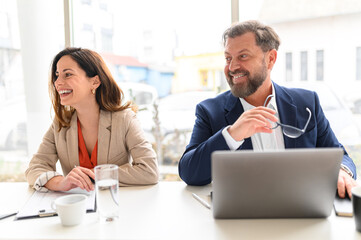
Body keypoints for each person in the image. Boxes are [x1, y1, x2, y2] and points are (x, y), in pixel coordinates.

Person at [178, 20, 357, 198]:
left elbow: (340, 156)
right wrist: (231, 135)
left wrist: (341, 172)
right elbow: (189, 172)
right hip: (241, 219)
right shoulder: (210, 111)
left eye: (243, 56)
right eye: (228, 58)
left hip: (303, 215)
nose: (232, 67)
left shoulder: (307, 103)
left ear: (270, 59)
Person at [26, 47, 159, 192]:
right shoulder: (60, 124)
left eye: (68, 74)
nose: (57, 82)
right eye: (57, 75)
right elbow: (34, 168)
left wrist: (97, 175)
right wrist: (60, 182)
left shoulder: (124, 119)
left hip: (116, 206)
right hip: (78, 208)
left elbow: (149, 170)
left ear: (95, 82)